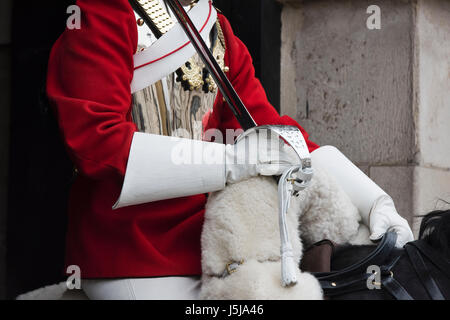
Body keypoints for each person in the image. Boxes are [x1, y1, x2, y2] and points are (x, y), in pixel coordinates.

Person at [46, 0, 413, 300]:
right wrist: (235, 161)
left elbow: (272, 133)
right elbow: (96, 142)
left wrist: (372, 199)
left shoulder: (215, 26)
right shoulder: (103, 12)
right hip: (135, 249)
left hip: (220, 243)